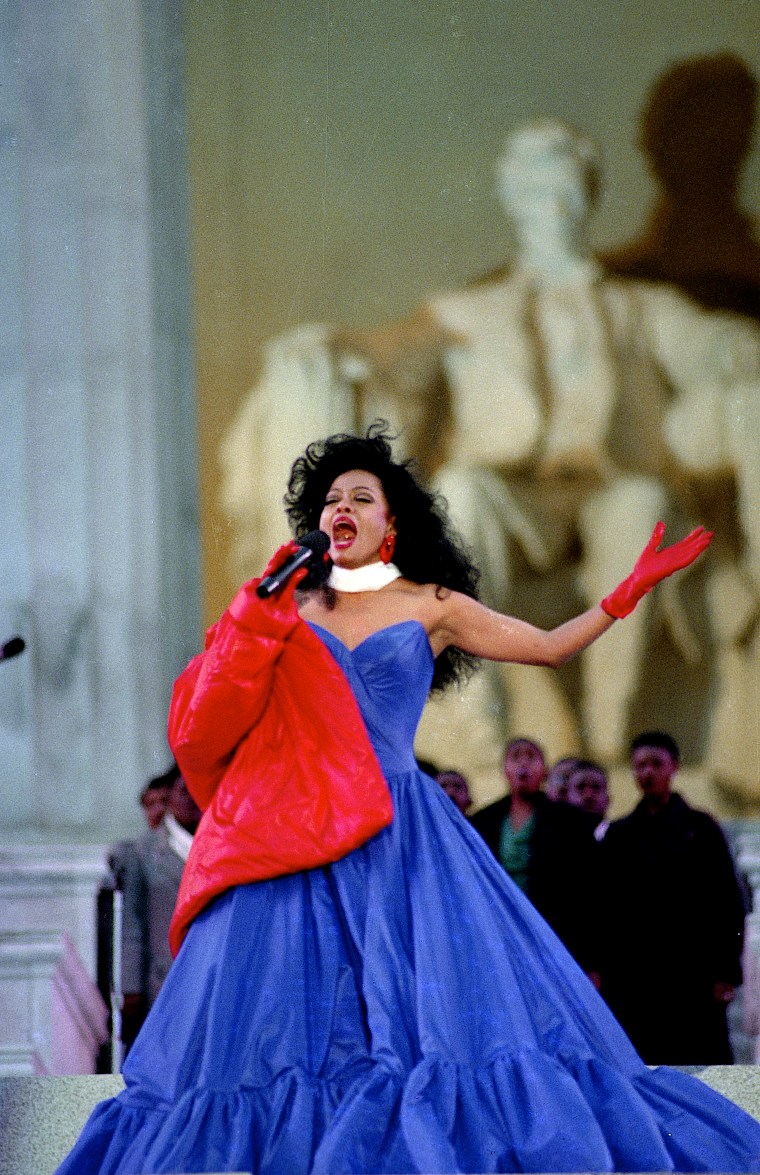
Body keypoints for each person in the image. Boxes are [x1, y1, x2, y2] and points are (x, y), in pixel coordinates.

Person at [56, 426, 760, 1175]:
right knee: (280, 1041)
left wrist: (625, 594)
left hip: (403, 831)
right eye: (331, 499)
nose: (343, 507)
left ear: (393, 523)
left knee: (427, 1026)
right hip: (297, 833)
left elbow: (549, 646)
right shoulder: (284, 606)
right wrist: (252, 615)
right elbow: (208, 716)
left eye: (362, 496)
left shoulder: (433, 602)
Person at [599, 730, 748, 1067]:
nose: (647, 773)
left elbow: (728, 900)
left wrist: (726, 972)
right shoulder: (620, 834)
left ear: (673, 768)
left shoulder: (701, 828)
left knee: (702, 1065)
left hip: (693, 973)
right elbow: (605, 908)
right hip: (636, 976)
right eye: (640, 766)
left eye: (655, 764)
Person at [470, 737, 601, 973]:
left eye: (531, 757)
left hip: (554, 934)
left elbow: (589, 892)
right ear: (505, 771)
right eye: (515, 757)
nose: (523, 764)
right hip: (501, 934)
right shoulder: (484, 821)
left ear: (544, 771)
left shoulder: (569, 821)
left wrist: (591, 963)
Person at [117, 765, 202, 1049]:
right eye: (182, 791)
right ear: (171, 796)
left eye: (195, 791)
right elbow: (132, 923)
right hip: (162, 977)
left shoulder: (219, 844)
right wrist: (130, 988)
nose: (189, 799)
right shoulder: (143, 851)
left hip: (209, 972)